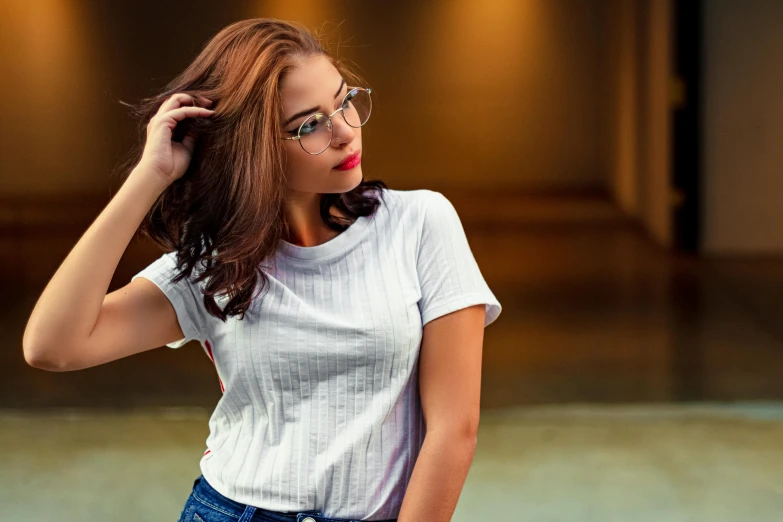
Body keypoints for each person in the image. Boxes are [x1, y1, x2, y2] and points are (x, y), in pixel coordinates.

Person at [22, 17, 502, 522]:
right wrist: (151, 175)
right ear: (255, 149)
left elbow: (454, 427)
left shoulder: (421, 223)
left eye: (344, 101)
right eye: (309, 125)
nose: (344, 132)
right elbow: (52, 347)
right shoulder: (216, 265)